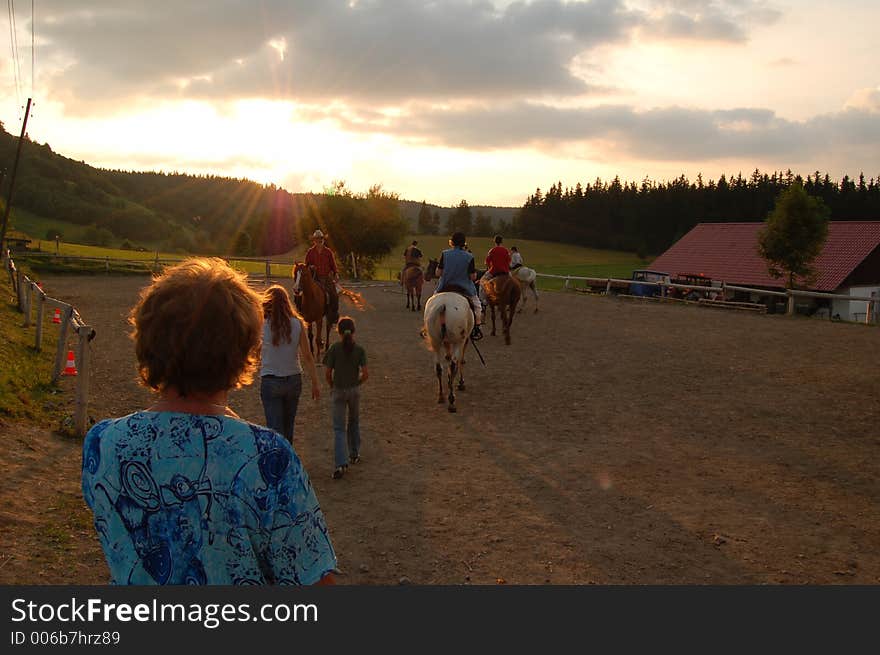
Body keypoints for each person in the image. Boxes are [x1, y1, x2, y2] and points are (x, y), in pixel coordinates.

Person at [81, 258, 336, 585]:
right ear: (244, 350)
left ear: (147, 338)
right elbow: (317, 582)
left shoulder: (102, 443)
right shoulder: (266, 456)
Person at [260, 285, 321, 443]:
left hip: (271, 379)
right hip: (293, 379)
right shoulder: (297, 324)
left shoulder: (262, 324)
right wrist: (315, 382)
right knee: (288, 428)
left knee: (274, 430)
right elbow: (307, 356)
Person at [323, 316, 369, 480]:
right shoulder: (359, 350)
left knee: (338, 428)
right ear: (353, 331)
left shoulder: (334, 349)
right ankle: (354, 452)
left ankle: (340, 463)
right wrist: (357, 382)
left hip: (338, 390)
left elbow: (328, 373)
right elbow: (366, 373)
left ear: (339, 332)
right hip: (354, 390)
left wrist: (332, 385)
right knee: (354, 421)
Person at [434, 231, 483, 340]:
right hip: (464, 289)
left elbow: (438, 273)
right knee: (477, 307)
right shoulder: (469, 256)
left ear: (452, 242)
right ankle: (476, 327)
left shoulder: (445, 253)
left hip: (444, 287)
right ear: (464, 243)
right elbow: (473, 277)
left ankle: (428, 328)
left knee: (432, 304)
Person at [304, 229, 339, 325]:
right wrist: (310, 267)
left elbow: (333, 265)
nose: (319, 241)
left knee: (334, 295)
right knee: (302, 293)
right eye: (317, 239)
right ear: (314, 241)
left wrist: (336, 273)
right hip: (315, 278)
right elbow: (305, 265)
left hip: (327, 278)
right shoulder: (310, 252)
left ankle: (333, 315)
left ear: (323, 240)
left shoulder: (328, 252)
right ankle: (303, 312)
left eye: (320, 239)